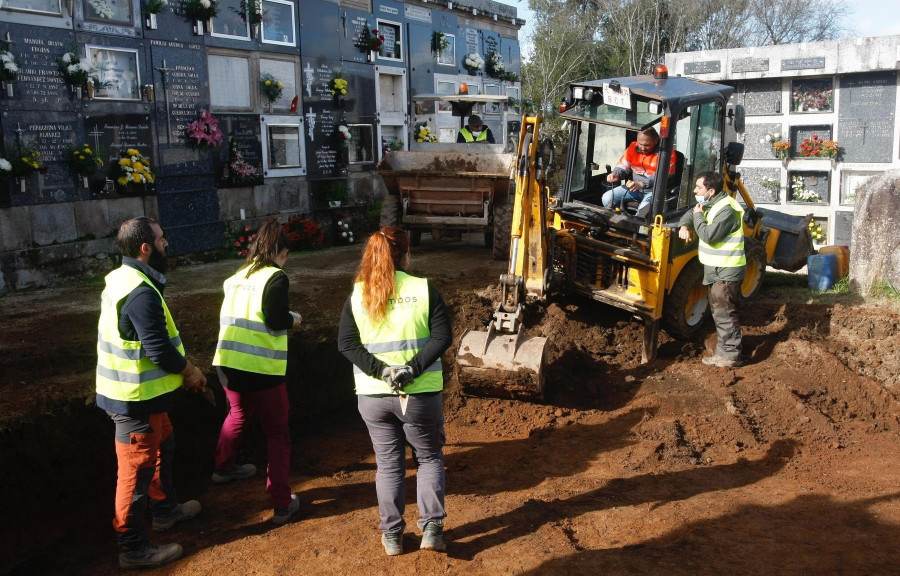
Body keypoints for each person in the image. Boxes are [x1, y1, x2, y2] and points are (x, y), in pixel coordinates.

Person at [96, 217, 207, 570]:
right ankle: (133, 548)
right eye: (161, 239)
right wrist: (191, 371)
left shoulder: (123, 278)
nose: (166, 244)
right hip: (133, 401)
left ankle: (165, 511)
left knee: (164, 447)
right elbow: (158, 350)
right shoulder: (140, 292)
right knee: (135, 475)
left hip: (145, 397)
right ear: (146, 247)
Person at [337, 227, 452, 556]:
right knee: (429, 457)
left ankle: (392, 537)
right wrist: (411, 369)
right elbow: (442, 337)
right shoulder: (424, 289)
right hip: (419, 395)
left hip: (373, 396)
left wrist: (382, 371)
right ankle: (432, 530)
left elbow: (346, 344)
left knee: (388, 466)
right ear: (406, 253)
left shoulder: (358, 295)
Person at [211, 219, 302, 526]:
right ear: (282, 252)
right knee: (277, 433)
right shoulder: (276, 277)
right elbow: (276, 320)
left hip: (228, 363)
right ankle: (281, 502)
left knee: (238, 414)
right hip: (262, 368)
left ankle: (223, 468)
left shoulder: (237, 275)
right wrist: (294, 319)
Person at [678, 171, 746, 368]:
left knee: (724, 312)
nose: (695, 191)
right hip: (717, 269)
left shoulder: (727, 210)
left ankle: (730, 356)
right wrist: (684, 226)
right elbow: (691, 213)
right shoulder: (712, 203)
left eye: (699, 187)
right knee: (720, 311)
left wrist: (698, 218)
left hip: (727, 269)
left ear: (711, 191)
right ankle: (725, 353)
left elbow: (708, 235)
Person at [602, 127, 676, 213]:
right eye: (640, 144)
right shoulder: (633, 147)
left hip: (654, 191)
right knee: (607, 198)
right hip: (634, 188)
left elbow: (663, 176)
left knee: (642, 211)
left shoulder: (667, 153)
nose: (643, 148)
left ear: (656, 141)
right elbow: (623, 165)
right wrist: (616, 174)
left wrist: (642, 184)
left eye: (647, 145)